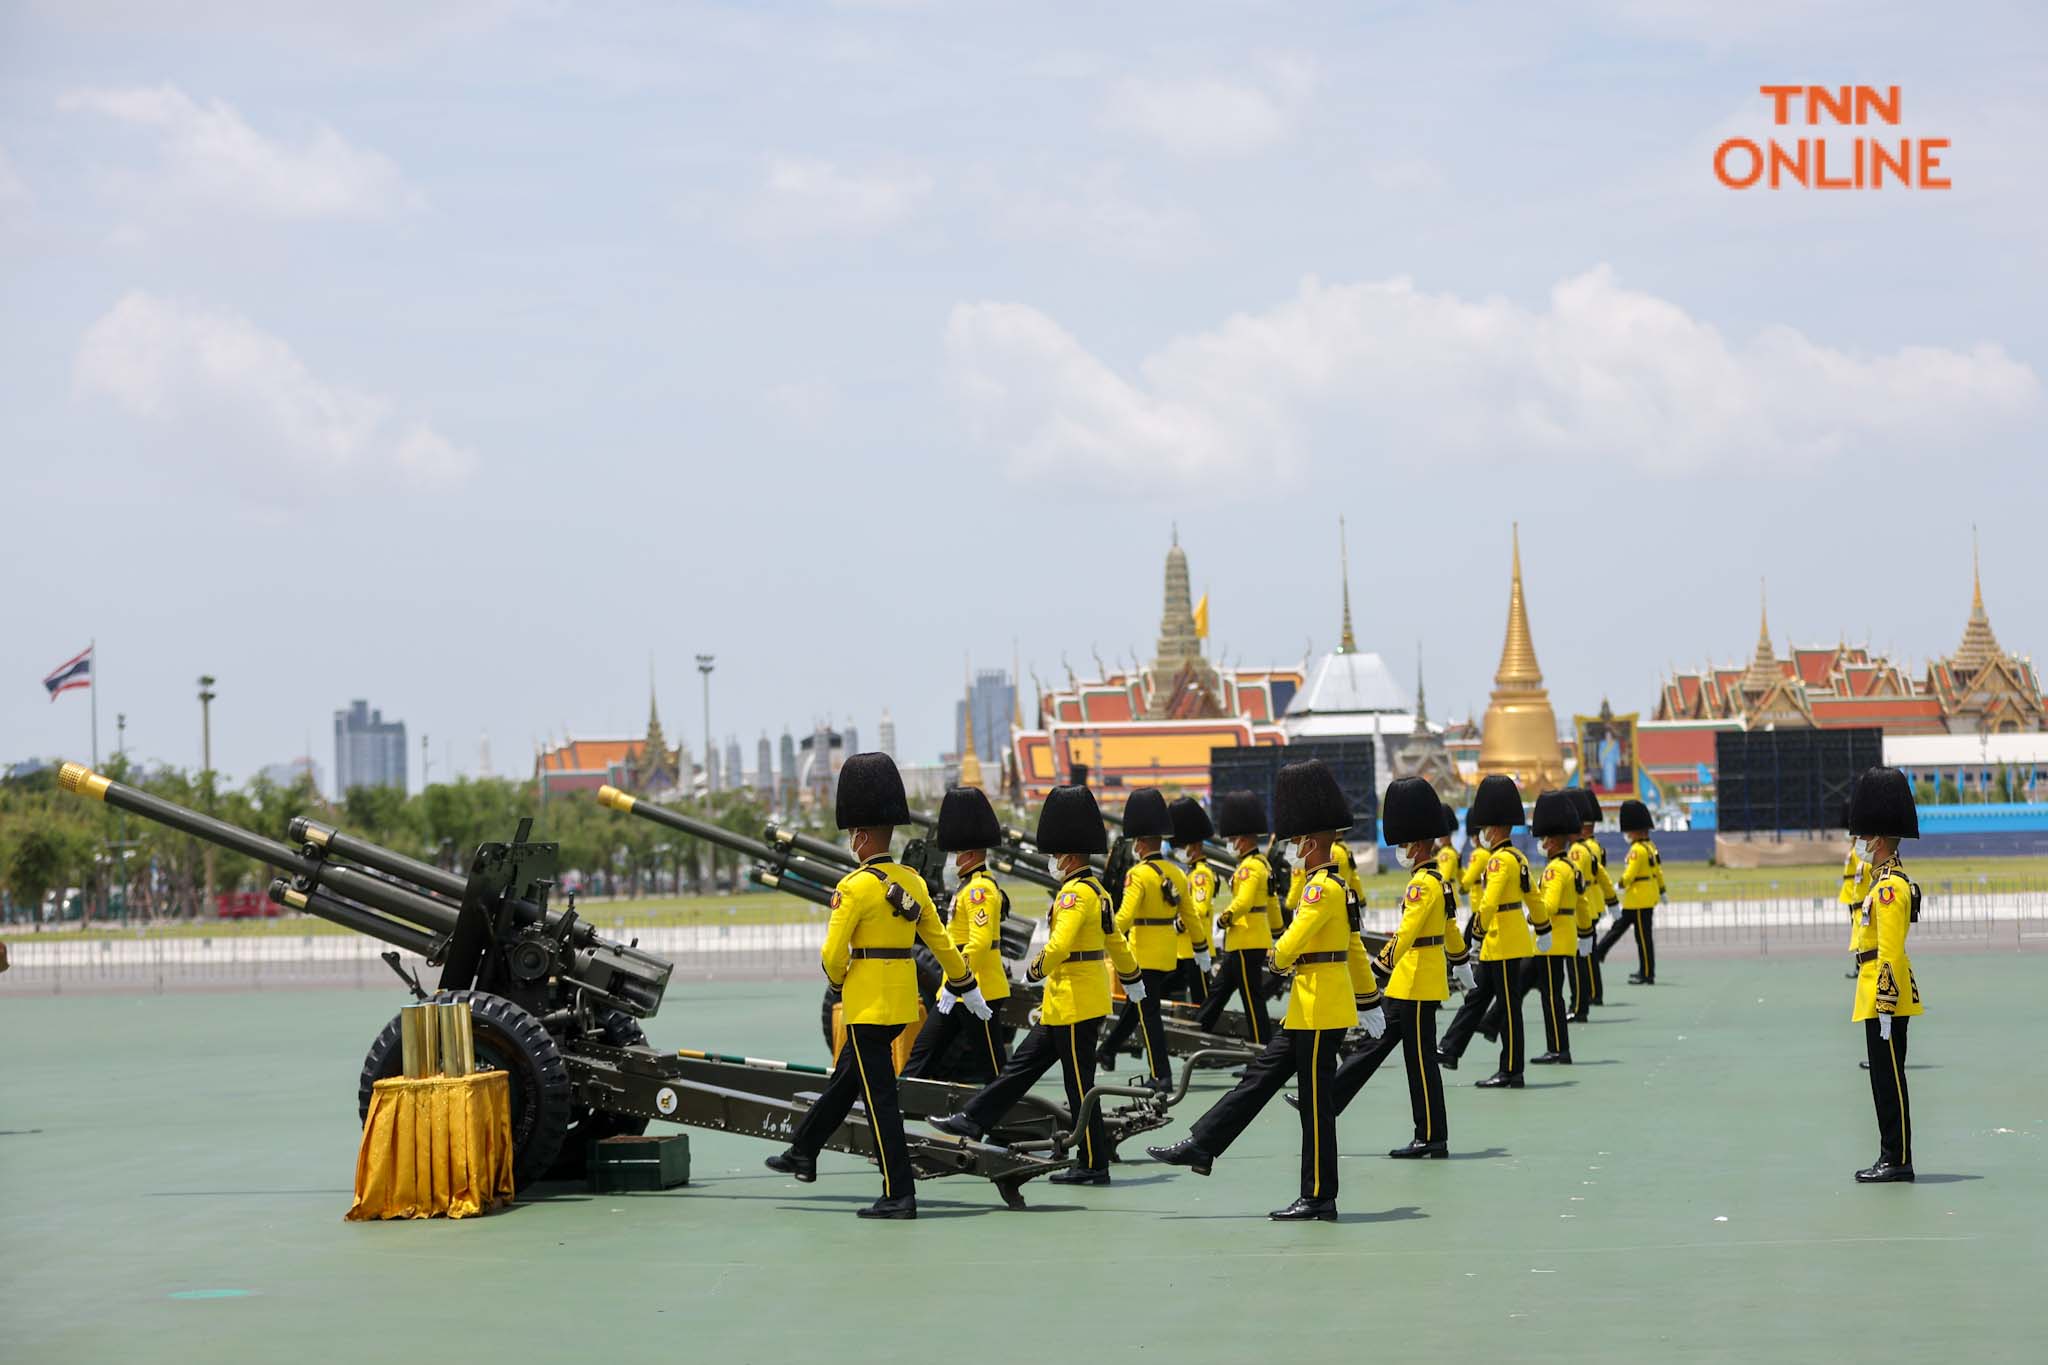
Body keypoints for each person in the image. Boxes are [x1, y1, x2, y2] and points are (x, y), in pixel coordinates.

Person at [1148, 760, 1385, 1220]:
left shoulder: (1322, 890)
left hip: (1321, 1009)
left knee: (1316, 1109)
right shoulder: (1332, 886)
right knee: (1257, 1079)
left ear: (1311, 843)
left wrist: (1277, 959)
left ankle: (1319, 1196)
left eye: (1297, 841)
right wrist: (1370, 998)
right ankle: (1202, 1144)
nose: (1293, 848)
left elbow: (1295, 941)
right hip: (1311, 1006)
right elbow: (1354, 948)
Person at [765, 753, 991, 1219]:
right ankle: (803, 1152)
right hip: (901, 1004)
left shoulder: (854, 888)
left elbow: (832, 956)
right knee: (846, 1080)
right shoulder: (912, 882)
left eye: (852, 835)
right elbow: (944, 945)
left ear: (861, 836)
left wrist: (840, 978)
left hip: (866, 1006)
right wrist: (967, 984)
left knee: (880, 1104)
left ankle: (898, 1193)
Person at [932, 784, 1144, 1186]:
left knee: (1079, 1086)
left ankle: (1094, 1164)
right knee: (1022, 1069)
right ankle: (973, 1120)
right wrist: (1132, 978)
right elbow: (1114, 938)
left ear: (1067, 855)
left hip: (1073, 1003)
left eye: (1053, 856)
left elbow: (1060, 945)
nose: (1051, 862)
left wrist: (1035, 970)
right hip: (1073, 1002)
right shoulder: (1096, 891)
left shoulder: (1072, 896)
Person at [1285, 784, 1476, 1158]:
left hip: (1415, 982)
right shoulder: (1437, 881)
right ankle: (1335, 1097)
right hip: (1414, 981)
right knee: (1378, 1044)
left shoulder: (1423, 885)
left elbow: (1407, 934)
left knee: (1420, 1065)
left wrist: (1379, 966)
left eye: (1403, 845)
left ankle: (1431, 1136)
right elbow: (1450, 929)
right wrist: (1461, 961)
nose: (1401, 851)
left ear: (1417, 847)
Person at [1438, 775, 1547, 1087]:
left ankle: (1512, 1070)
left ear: (1495, 827)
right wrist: (1543, 926)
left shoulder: (1500, 862)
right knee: (1478, 996)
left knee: (1509, 1010)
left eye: (1485, 827)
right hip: (1507, 941)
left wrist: (1474, 933)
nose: (1482, 833)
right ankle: (1450, 1048)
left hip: (1501, 941)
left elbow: (1489, 903)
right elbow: (1534, 898)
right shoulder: (1518, 857)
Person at [903, 785, 1012, 1082]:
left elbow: (977, 944)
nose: (955, 857)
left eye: (959, 851)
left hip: (979, 990)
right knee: (924, 1051)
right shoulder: (969, 886)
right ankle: (901, 1100)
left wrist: (955, 983)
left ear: (973, 852)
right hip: (958, 989)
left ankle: (1007, 1118)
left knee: (993, 1068)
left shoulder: (979, 889)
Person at [1846, 767, 1924, 1183]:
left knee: (1889, 1081)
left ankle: (1897, 1157)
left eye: (1863, 837)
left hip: (1884, 995)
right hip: (1876, 991)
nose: (1860, 843)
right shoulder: (1879, 882)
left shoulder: (1890, 887)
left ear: (1877, 838)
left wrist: (1887, 1000)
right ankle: (1890, 1154)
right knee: (1882, 1081)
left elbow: (1890, 950)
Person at [1096, 788, 1185, 1091]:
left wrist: (1103, 933)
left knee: (1149, 1018)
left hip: (1142, 953)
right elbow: (1194, 919)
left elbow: (1125, 916)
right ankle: (1107, 1050)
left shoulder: (1138, 875)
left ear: (1142, 842)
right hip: (1166, 952)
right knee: (1138, 1006)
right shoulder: (1177, 872)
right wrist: (1200, 947)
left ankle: (1162, 1075)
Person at [1193, 790, 1279, 1044]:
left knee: (1252, 1002)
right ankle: (1197, 1033)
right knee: (1218, 993)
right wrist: (1276, 930)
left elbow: (1244, 902)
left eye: (1233, 839)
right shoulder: (1262, 864)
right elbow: (1271, 903)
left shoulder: (1249, 868)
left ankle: (1260, 1048)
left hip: (1245, 940)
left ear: (1242, 840)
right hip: (1247, 941)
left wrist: (1225, 918)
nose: (1231, 843)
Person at [1526, 791, 1582, 1065]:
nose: (1543, 842)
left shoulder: (1554, 870)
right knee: (1551, 994)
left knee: (1551, 998)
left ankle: (1558, 1048)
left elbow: (1548, 905)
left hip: (1552, 939)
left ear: (1555, 839)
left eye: (1546, 838)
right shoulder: (1569, 866)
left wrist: (1531, 918)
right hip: (1565, 937)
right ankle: (1559, 1047)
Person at [1569, 789, 1616, 1017]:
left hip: (1586, 901)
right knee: (1588, 952)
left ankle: (1590, 994)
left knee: (1585, 955)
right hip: (1593, 899)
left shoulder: (1581, 850)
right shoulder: (1590, 847)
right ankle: (1593, 993)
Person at [1167, 796, 1217, 1004]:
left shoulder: (1200, 875)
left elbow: (1198, 910)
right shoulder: (1190, 873)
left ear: (1195, 846)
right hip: (1184, 950)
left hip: (1196, 949)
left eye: (1182, 845)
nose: (1178, 849)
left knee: (1201, 1001)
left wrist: (1177, 925)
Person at [1612, 799, 1663, 984]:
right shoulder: (1650, 847)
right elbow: (1658, 871)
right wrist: (1662, 890)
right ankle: (1645, 970)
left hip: (1639, 898)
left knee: (1643, 939)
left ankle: (1647, 973)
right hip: (1647, 896)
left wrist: (1619, 885)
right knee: (1643, 938)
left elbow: (1630, 873)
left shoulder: (1637, 850)